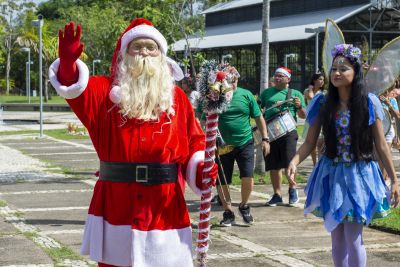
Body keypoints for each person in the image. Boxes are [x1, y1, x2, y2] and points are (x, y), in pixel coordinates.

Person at [48, 19, 218, 267]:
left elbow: (194, 143)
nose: (144, 53)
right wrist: (67, 64)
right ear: (124, 53)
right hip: (117, 204)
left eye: (151, 47)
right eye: (136, 47)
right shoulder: (104, 93)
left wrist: (200, 168)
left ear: (161, 55)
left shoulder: (177, 99)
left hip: (163, 207)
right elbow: (75, 88)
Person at [287, 44, 399, 267]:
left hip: (359, 176)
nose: (336, 73)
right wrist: (294, 160)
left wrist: (395, 180)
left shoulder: (369, 102)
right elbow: (309, 141)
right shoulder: (322, 103)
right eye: (334, 69)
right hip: (330, 174)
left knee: (353, 238)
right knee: (336, 239)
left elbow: (381, 145)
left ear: (355, 73)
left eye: (343, 68)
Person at [210, 66, 270, 226]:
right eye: (229, 80)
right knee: (222, 181)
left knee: (248, 177)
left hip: (245, 143)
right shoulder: (215, 96)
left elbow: (259, 118)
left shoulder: (246, 95)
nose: (232, 83)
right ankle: (228, 212)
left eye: (235, 79)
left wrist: (265, 138)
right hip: (222, 146)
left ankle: (244, 206)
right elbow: (205, 119)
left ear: (238, 78)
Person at [260, 67, 306, 206]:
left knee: (289, 162)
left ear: (288, 79)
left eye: (281, 76)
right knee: (274, 165)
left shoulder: (295, 93)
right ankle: (277, 194)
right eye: (276, 75)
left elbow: (303, 115)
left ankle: (292, 190)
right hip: (271, 132)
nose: (277, 78)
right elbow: (260, 111)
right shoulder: (266, 93)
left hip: (288, 132)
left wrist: (299, 107)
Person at [303, 72, 325, 165]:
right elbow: (312, 98)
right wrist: (311, 89)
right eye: (320, 79)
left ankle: (319, 163)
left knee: (320, 143)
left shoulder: (324, 93)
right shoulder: (307, 91)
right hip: (310, 120)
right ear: (314, 80)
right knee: (311, 144)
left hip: (321, 120)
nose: (322, 82)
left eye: (323, 80)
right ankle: (315, 164)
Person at [378, 85, 400, 180]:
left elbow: (397, 116)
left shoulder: (392, 100)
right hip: (376, 131)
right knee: (378, 157)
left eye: (387, 89)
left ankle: (383, 181)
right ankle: (382, 179)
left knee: (385, 156)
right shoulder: (374, 98)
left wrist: (388, 104)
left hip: (388, 131)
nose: (386, 91)